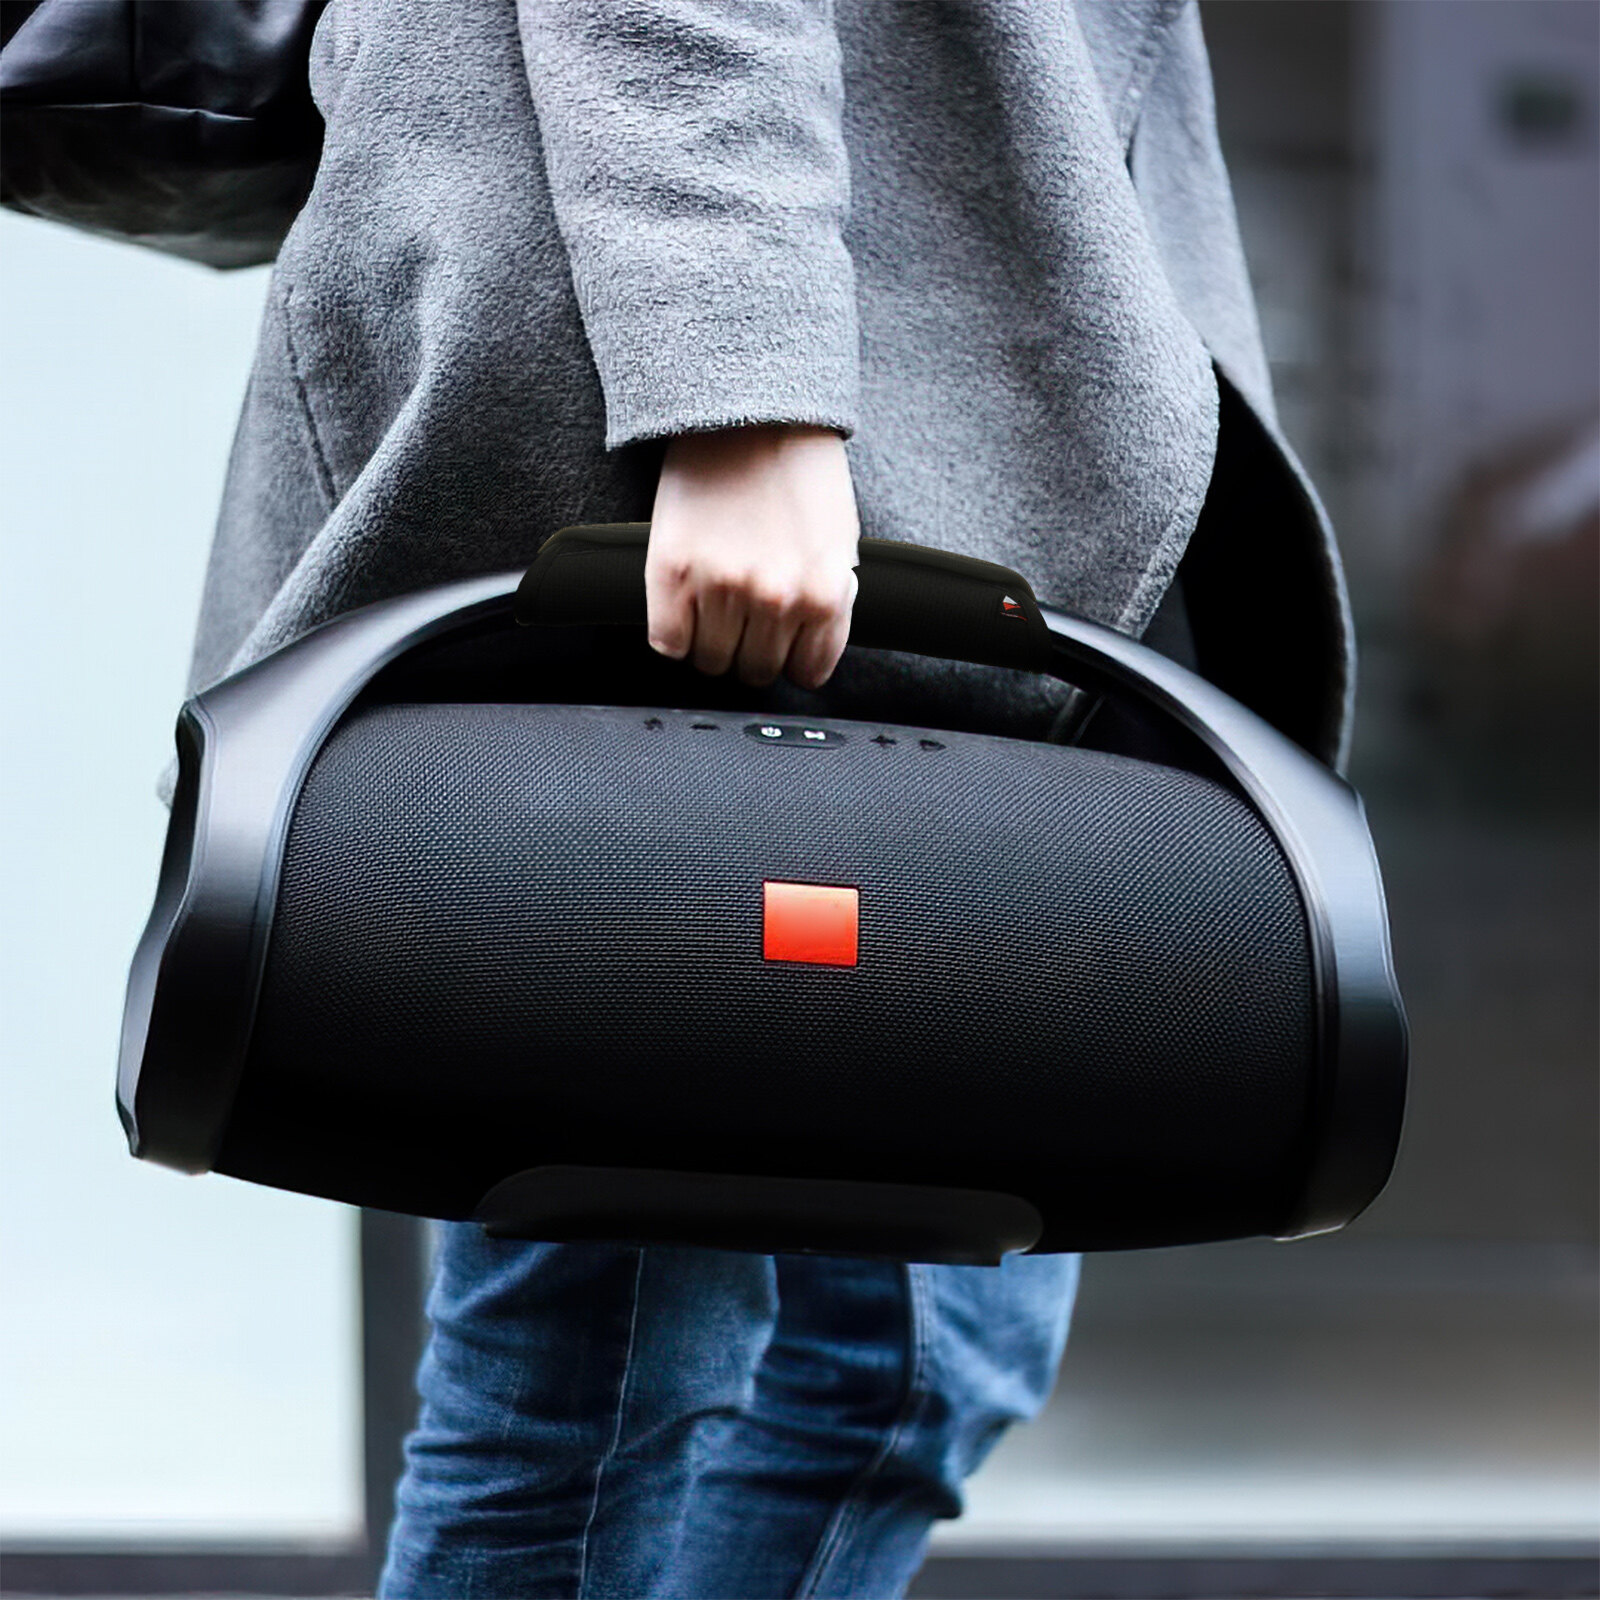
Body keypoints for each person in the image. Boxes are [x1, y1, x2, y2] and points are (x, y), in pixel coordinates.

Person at [183, 2, 1357, 1594]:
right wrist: (740, 388)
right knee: (606, 1374)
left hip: (975, 337)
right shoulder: (739, 388)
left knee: (920, 1361)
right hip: (709, 366)